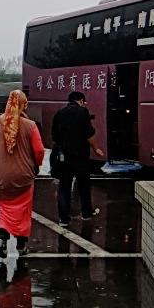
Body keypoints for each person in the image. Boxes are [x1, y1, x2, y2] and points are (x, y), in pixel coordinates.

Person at [0, 90, 45, 258]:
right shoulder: (30, 126)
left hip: (1, 174)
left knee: (4, 208)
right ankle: (21, 245)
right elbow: (39, 150)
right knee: (23, 209)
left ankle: (2, 238)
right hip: (24, 174)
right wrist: (36, 166)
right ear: (24, 104)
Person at [51, 91, 104, 228]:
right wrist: (96, 149)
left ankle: (63, 218)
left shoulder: (59, 113)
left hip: (63, 157)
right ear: (80, 100)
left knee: (64, 187)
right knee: (83, 186)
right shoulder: (83, 112)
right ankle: (86, 213)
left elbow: (54, 136)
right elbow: (89, 134)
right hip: (80, 156)